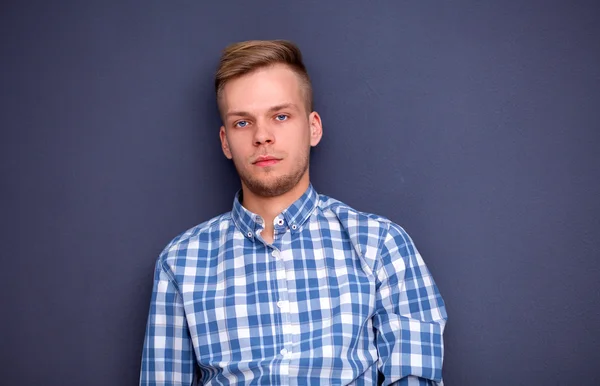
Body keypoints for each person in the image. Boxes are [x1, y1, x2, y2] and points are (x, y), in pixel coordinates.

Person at [140, 40, 447, 386]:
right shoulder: (181, 263)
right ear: (225, 142)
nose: (262, 136)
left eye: (281, 116)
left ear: (313, 127)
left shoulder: (381, 245)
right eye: (243, 123)